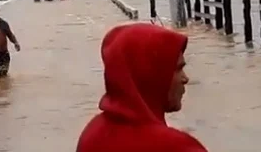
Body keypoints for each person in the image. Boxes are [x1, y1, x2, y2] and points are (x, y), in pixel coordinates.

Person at [76, 23, 206, 152]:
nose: (185, 79)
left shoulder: (91, 136)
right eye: (178, 69)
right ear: (152, 75)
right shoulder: (176, 146)